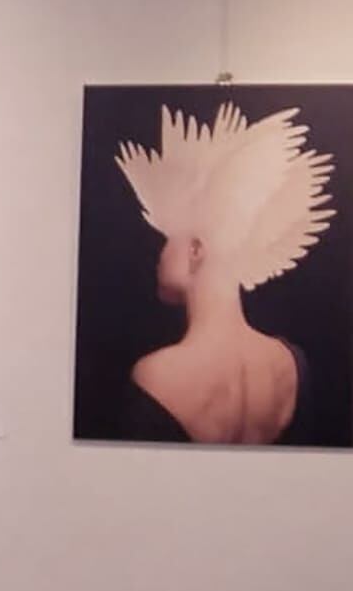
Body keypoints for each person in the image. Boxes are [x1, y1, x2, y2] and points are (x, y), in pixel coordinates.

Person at [113, 101, 334, 444]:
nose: (159, 256)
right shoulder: (290, 363)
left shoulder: (156, 375)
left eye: (166, 239)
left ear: (195, 250)